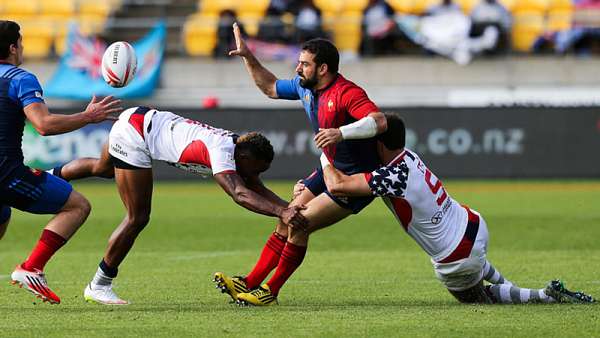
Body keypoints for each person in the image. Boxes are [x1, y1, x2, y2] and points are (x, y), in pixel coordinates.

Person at [317, 113, 595, 304]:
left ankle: (545, 296)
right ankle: (512, 284)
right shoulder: (408, 157)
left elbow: (338, 186)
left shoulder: (392, 176)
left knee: (477, 299)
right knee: (476, 263)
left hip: (457, 254)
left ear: (378, 143)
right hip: (472, 224)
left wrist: (325, 156)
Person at [49, 106, 308, 305]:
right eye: (256, 170)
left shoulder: (238, 149)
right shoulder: (221, 150)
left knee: (101, 168)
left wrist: (289, 208)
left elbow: (254, 187)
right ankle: (99, 285)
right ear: (244, 157)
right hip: (135, 135)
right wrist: (281, 212)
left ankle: (46, 177)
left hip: (136, 118)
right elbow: (239, 193)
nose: (255, 176)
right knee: (137, 217)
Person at [213, 24, 387, 306]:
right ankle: (249, 282)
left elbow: (379, 121)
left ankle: (271, 290)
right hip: (329, 168)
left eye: (304, 64)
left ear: (323, 69)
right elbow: (269, 87)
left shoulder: (347, 93)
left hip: (357, 179)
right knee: (288, 213)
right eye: (298, 63)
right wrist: (248, 56)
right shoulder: (304, 88)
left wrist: (341, 132)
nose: (298, 69)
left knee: (300, 223)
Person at [0, 20, 122, 304]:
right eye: (21, 42)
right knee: (77, 205)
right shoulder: (20, 78)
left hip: (7, 173)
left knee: (2, 216)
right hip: (5, 172)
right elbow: (43, 124)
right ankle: (32, 268)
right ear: (12, 47)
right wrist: (88, 117)